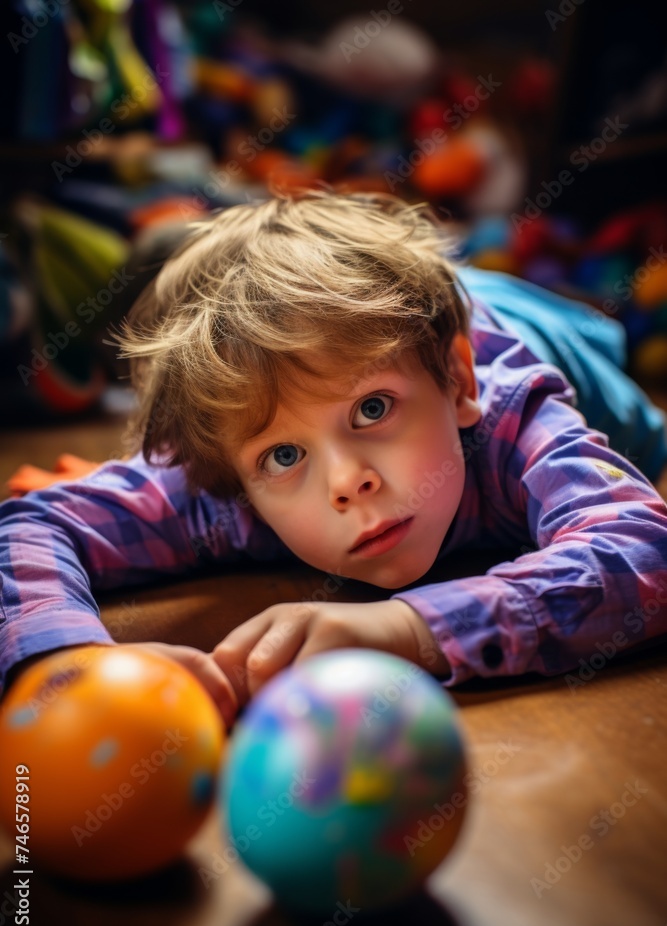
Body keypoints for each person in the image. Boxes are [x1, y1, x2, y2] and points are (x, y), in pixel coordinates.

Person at [1, 191, 667, 726]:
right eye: (285, 455)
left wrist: (405, 629)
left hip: (545, 336)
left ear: (458, 382)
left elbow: (644, 551)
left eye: (373, 409)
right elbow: (32, 525)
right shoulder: (223, 484)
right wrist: (65, 661)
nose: (349, 481)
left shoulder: (514, 422)